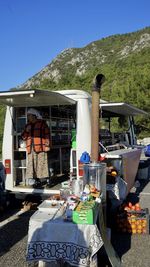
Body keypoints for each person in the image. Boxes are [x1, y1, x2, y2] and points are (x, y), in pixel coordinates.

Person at [21, 108, 51, 187]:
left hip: (41, 148)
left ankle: (47, 180)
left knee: (43, 165)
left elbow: (47, 135)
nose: (28, 117)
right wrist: (26, 131)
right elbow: (23, 137)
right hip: (31, 149)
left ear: (34, 116)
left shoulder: (42, 124)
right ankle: (35, 181)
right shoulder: (27, 125)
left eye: (29, 115)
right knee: (32, 166)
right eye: (27, 116)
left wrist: (47, 145)